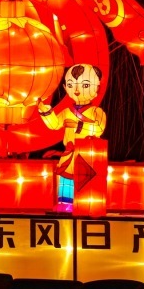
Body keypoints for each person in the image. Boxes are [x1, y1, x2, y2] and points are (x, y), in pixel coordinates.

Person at [36, 64, 106, 213]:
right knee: (65, 181)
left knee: (84, 182)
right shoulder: (67, 111)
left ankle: (82, 205)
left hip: (86, 156)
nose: (77, 90)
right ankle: (64, 205)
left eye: (85, 85)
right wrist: (45, 111)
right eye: (70, 85)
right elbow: (54, 125)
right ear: (65, 87)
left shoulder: (96, 112)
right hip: (69, 153)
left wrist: (77, 125)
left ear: (97, 88)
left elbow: (98, 129)